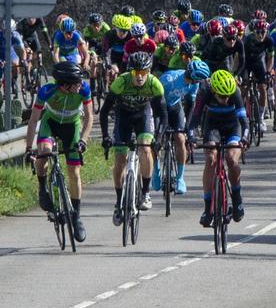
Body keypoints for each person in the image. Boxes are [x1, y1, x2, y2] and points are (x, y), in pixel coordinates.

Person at [26, 58, 93, 243]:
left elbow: (89, 118)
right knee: (44, 152)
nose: (81, 85)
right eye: (76, 83)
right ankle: (42, 187)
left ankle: (76, 217)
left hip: (72, 127)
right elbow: (33, 120)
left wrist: (83, 140)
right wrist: (28, 148)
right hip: (51, 124)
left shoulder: (84, 90)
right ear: (65, 85)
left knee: (75, 172)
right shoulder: (47, 91)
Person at [101, 49, 166, 225]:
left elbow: (163, 115)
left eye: (143, 72)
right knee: (120, 159)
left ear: (149, 72)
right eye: (136, 72)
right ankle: (118, 201)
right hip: (123, 116)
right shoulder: (121, 82)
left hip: (143, 115)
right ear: (131, 72)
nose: (139, 76)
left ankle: (145, 193)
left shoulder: (155, 84)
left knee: (145, 148)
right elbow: (105, 111)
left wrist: (158, 139)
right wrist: (106, 136)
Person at [194, 66, 249, 226]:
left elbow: (243, 121)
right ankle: (207, 208)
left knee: (231, 159)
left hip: (233, 126)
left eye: (227, 96)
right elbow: (196, 116)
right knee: (211, 158)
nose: (225, 99)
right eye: (221, 96)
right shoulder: (205, 90)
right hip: (212, 126)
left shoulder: (235, 92)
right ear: (214, 90)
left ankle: (237, 198)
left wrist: (244, 138)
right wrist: (190, 136)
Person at [152, 56, 201, 195]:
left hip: (175, 107)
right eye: (196, 80)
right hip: (158, 106)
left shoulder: (194, 83)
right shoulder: (169, 80)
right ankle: (156, 173)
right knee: (156, 140)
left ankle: (180, 178)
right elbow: (158, 104)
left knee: (180, 138)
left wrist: (187, 128)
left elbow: (190, 105)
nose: (197, 83)